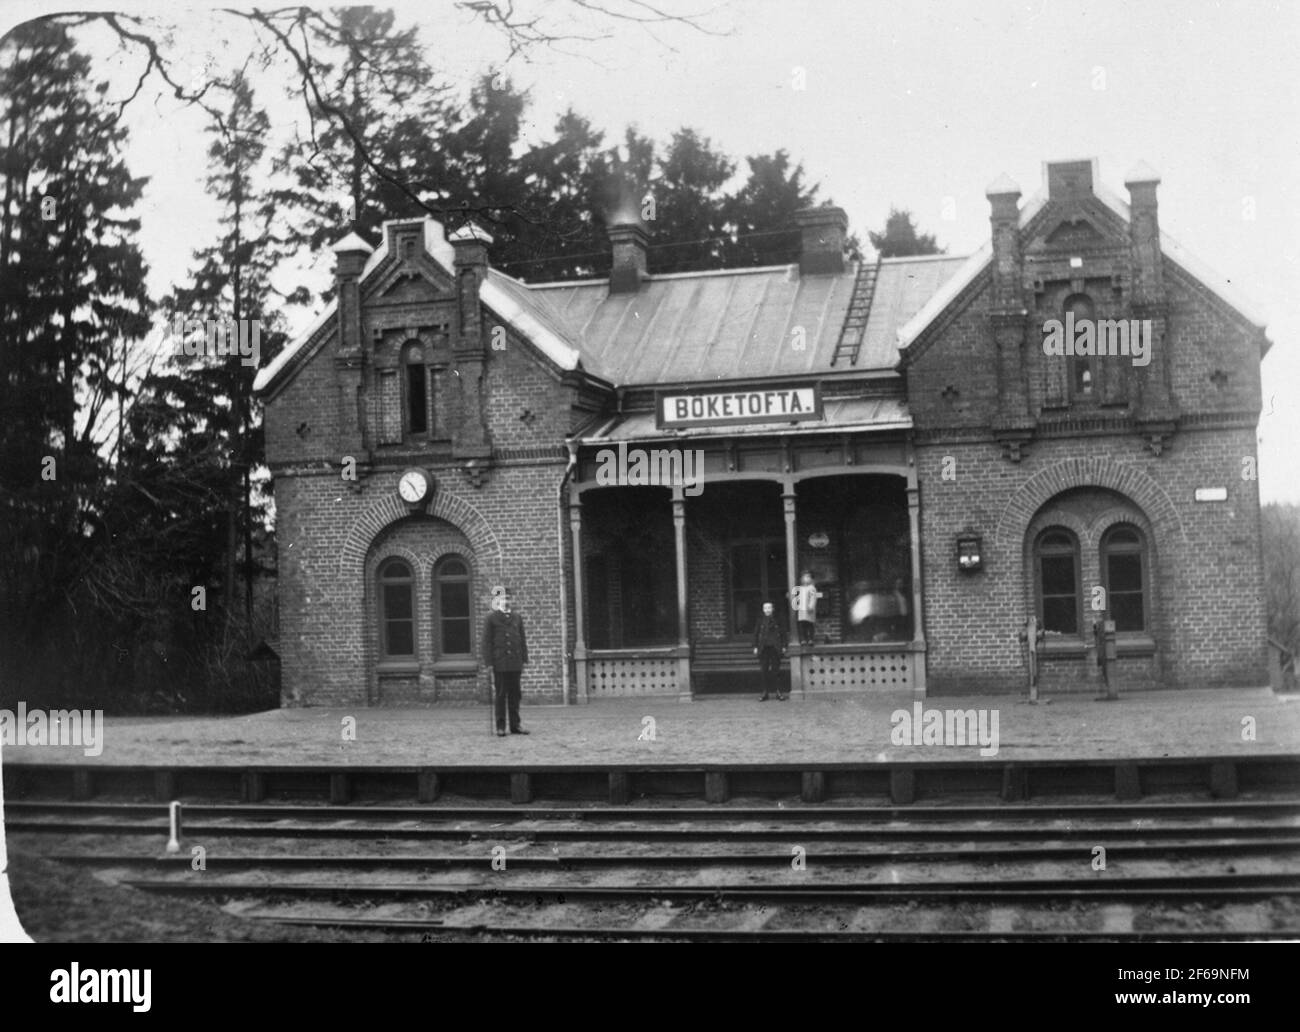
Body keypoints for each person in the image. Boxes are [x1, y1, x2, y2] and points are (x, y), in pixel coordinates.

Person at [482, 587, 529, 736]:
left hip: (515, 662)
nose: (506, 601)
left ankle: (516, 725)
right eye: (503, 598)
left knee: (515, 695)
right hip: (500, 663)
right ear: (498, 601)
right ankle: (500, 726)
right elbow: (487, 642)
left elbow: (522, 639)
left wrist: (524, 659)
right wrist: (489, 663)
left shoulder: (517, 617)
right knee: (501, 695)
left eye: (509, 598)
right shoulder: (492, 618)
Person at [753, 601, 787, 701]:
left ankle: (778, 691)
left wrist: (784, 645)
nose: (767, 610)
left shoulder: (778, 620)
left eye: (769, 608)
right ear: (763, 610)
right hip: (764, 648)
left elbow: (783, 633)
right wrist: (755, 646)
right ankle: (765, 692)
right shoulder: (760, 620)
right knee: (764, 670)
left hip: (775, 648)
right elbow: (756, 633)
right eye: (765, 608)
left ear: (772, 609)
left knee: (776, 670)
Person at [791, 571, 822, 646]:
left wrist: (811, 606)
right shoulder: (800, 588)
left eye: (808, 577)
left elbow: (813, 598)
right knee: (802, 625)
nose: (806, 579)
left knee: (809, 624)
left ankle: (810, 639)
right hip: (801, 609)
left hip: (808, 609)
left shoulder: (812, 588)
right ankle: (803, 639)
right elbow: (797, 597)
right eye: (805, 577)